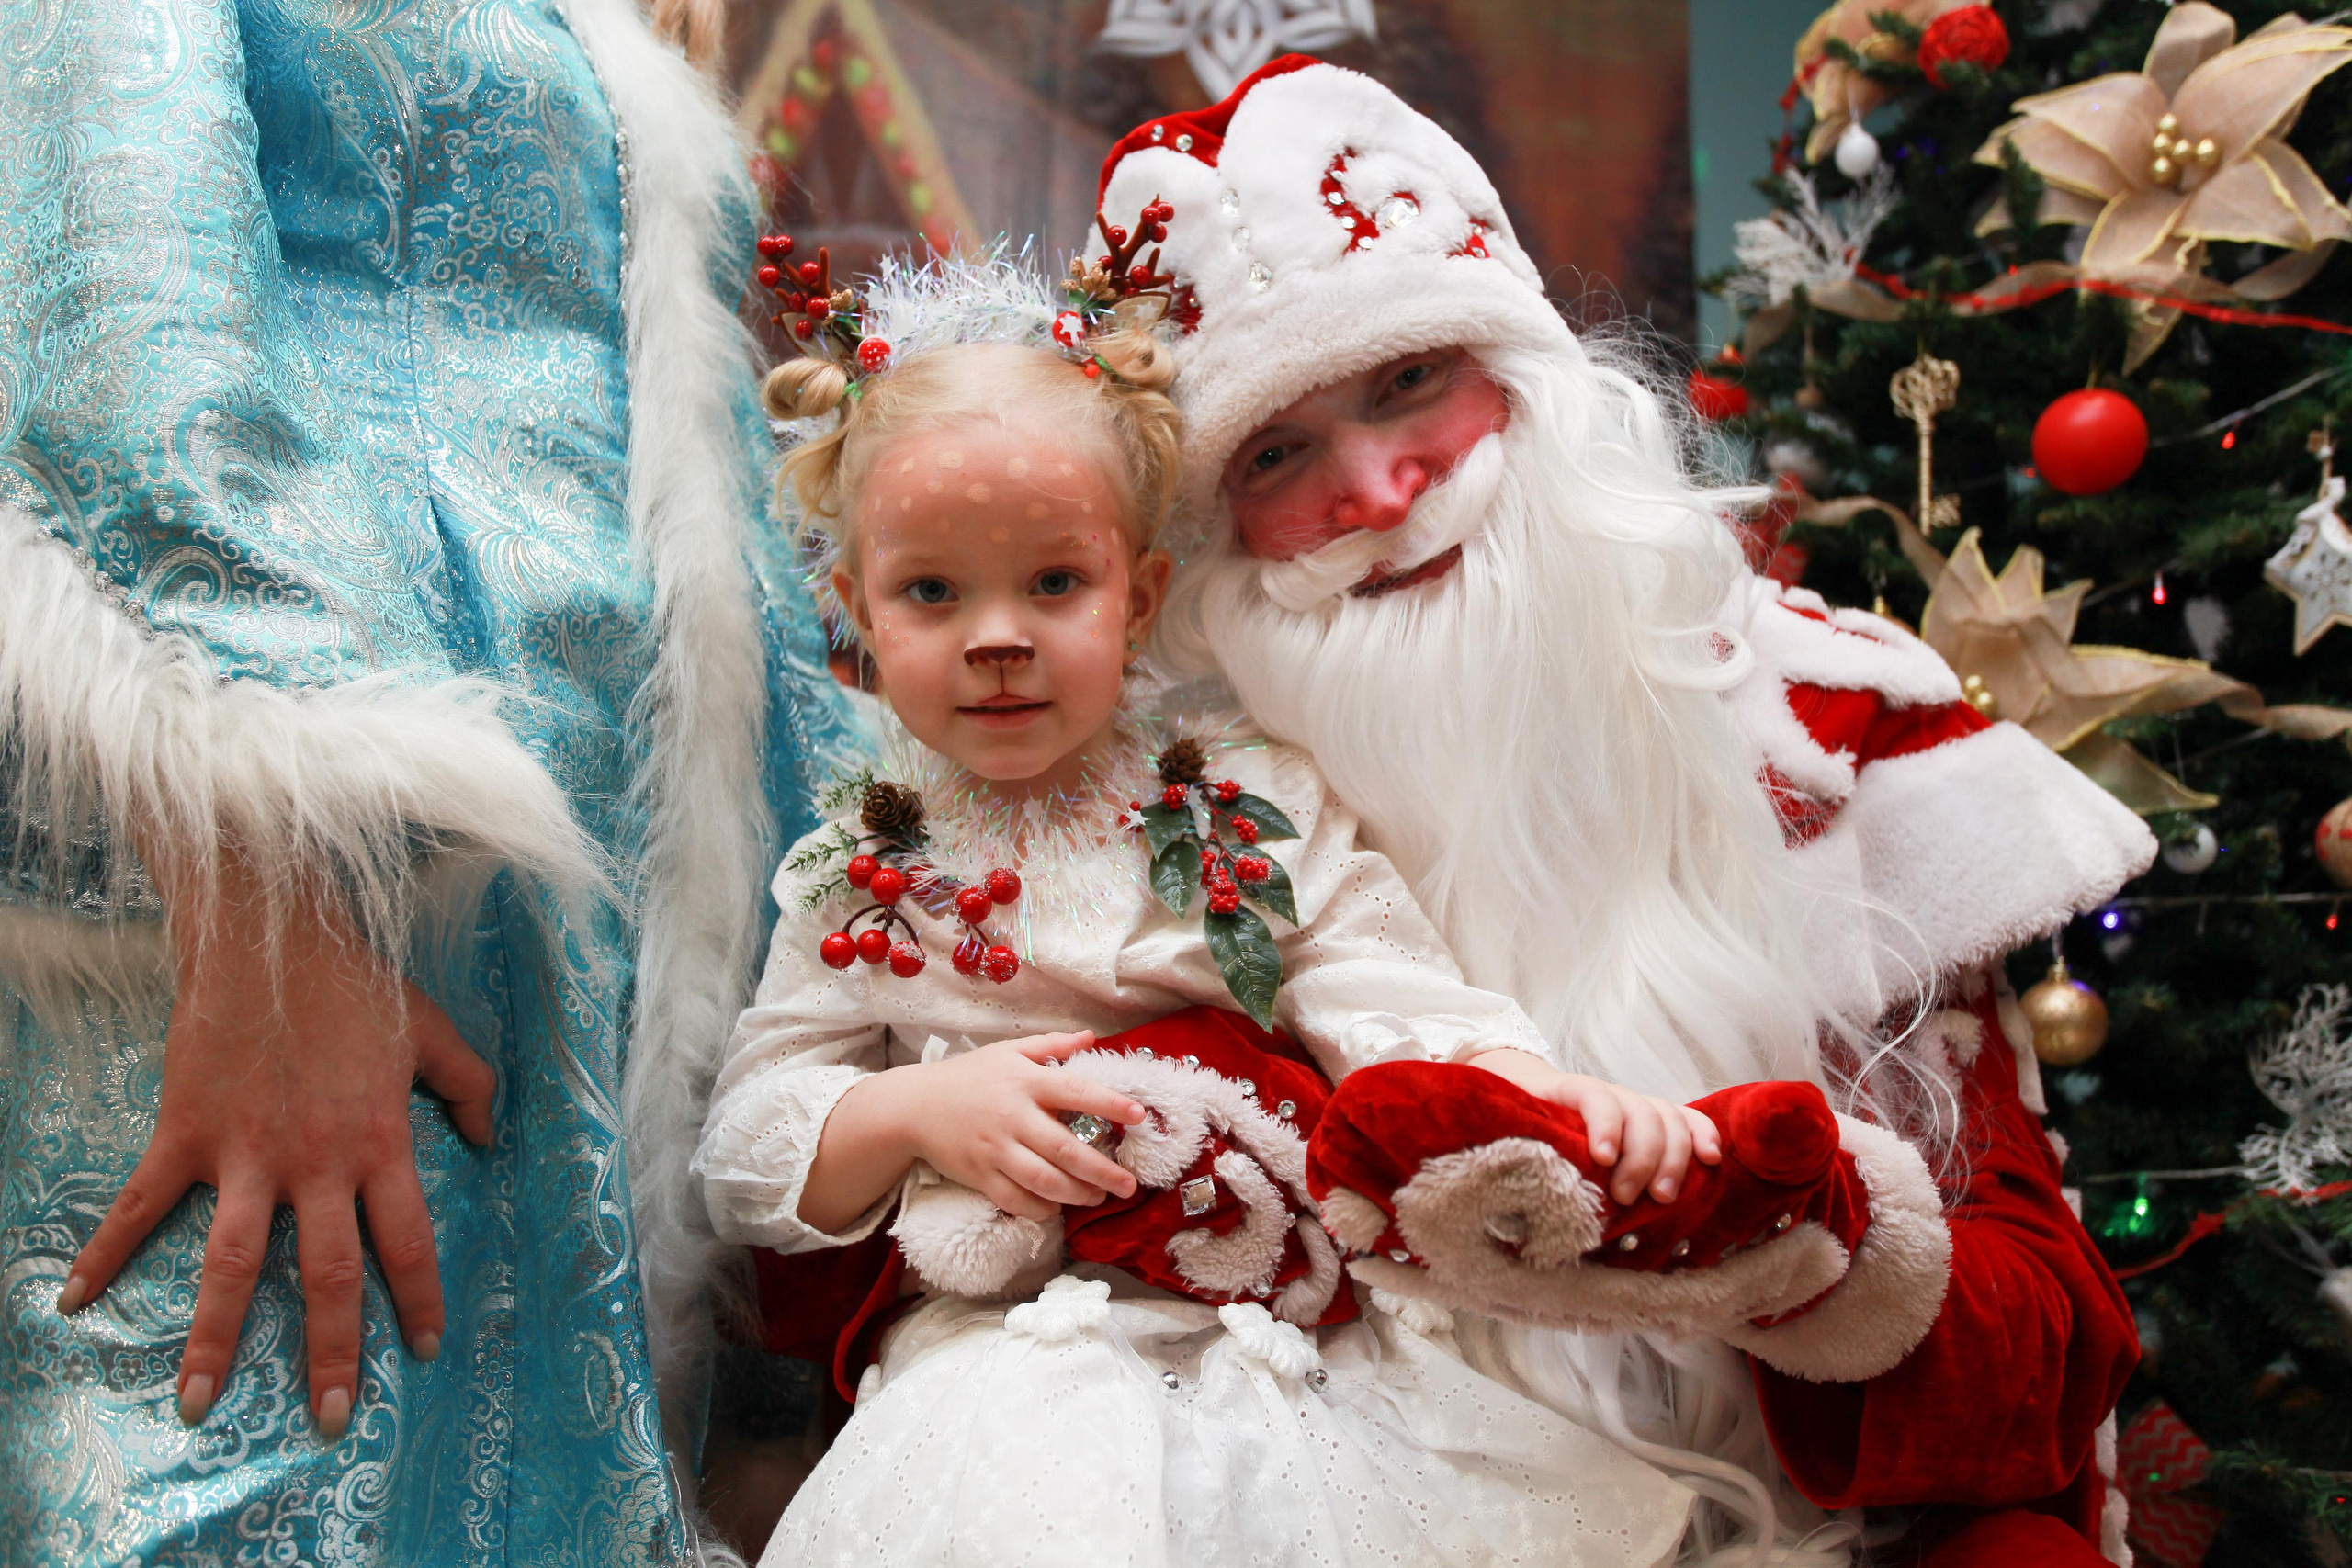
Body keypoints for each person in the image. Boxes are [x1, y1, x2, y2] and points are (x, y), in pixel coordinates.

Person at [1102, 56, 2152, 1567]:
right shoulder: (1184, 821)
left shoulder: (1826, 722)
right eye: (1279, 455)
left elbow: (2046, 1358)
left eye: (1411, 383)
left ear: (1531, 380)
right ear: (1212, 538)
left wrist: (1812, 1259)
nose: (1386, 489)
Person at [695, 258, 1755, 1565]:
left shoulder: (1243, 798)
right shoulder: (863, 867)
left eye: (1052, 585)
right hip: (1004, 1361)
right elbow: (746, 1148)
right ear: (855, 611)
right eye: (932, 594)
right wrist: (914, 1112)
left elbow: (1395, 999)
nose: (996, 637)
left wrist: (1547, 1095)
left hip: (1288, 1343)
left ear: (1136, 598)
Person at [0, 0, 856, 1560]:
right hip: (336, 890)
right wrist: (274, 869)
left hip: (583, 906)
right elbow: (114, 319)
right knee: (269, 1475)